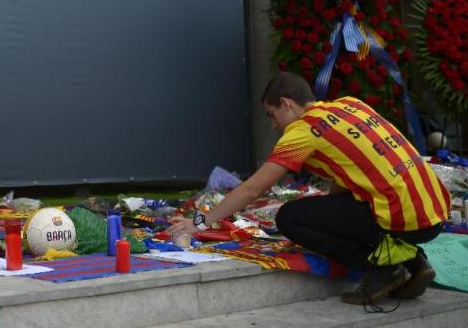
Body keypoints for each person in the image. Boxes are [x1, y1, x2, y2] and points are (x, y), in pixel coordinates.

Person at [167, 72, 450, 306]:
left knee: (290, 217)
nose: (273, 124)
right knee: (326, 211)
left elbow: (252, 190)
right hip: (434, 210)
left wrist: (198, 222)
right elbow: (350, 174)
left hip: (405, 219)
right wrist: (330, 216)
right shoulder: (348, 105)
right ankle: (413, 261)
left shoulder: (302, 132)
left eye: (271, 114)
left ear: (287, 104)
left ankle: (382, 268)